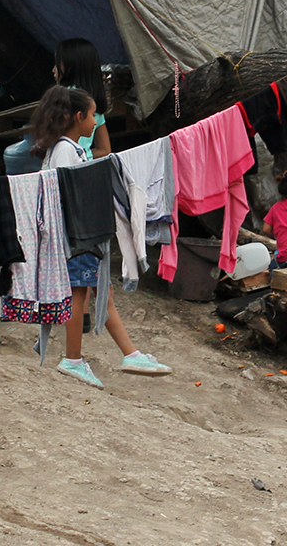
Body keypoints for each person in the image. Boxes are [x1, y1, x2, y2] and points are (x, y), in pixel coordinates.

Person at [30, 86, 171, 389]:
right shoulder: (65, 149)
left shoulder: (70, 147)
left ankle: (130, 353)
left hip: (83, 235)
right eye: (93, 115)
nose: (96, 121)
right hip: (76, 236)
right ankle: (72, 359)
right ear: (79, 116)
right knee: (79, 294)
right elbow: (65, 193)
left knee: (102, 294)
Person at [53, 38, 111, 161]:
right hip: (84, 167)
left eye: (57, 64)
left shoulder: (64, 97)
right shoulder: (94, 102)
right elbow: (105, 150)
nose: (53, 70)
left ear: (71, 65)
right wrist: (85, 156)